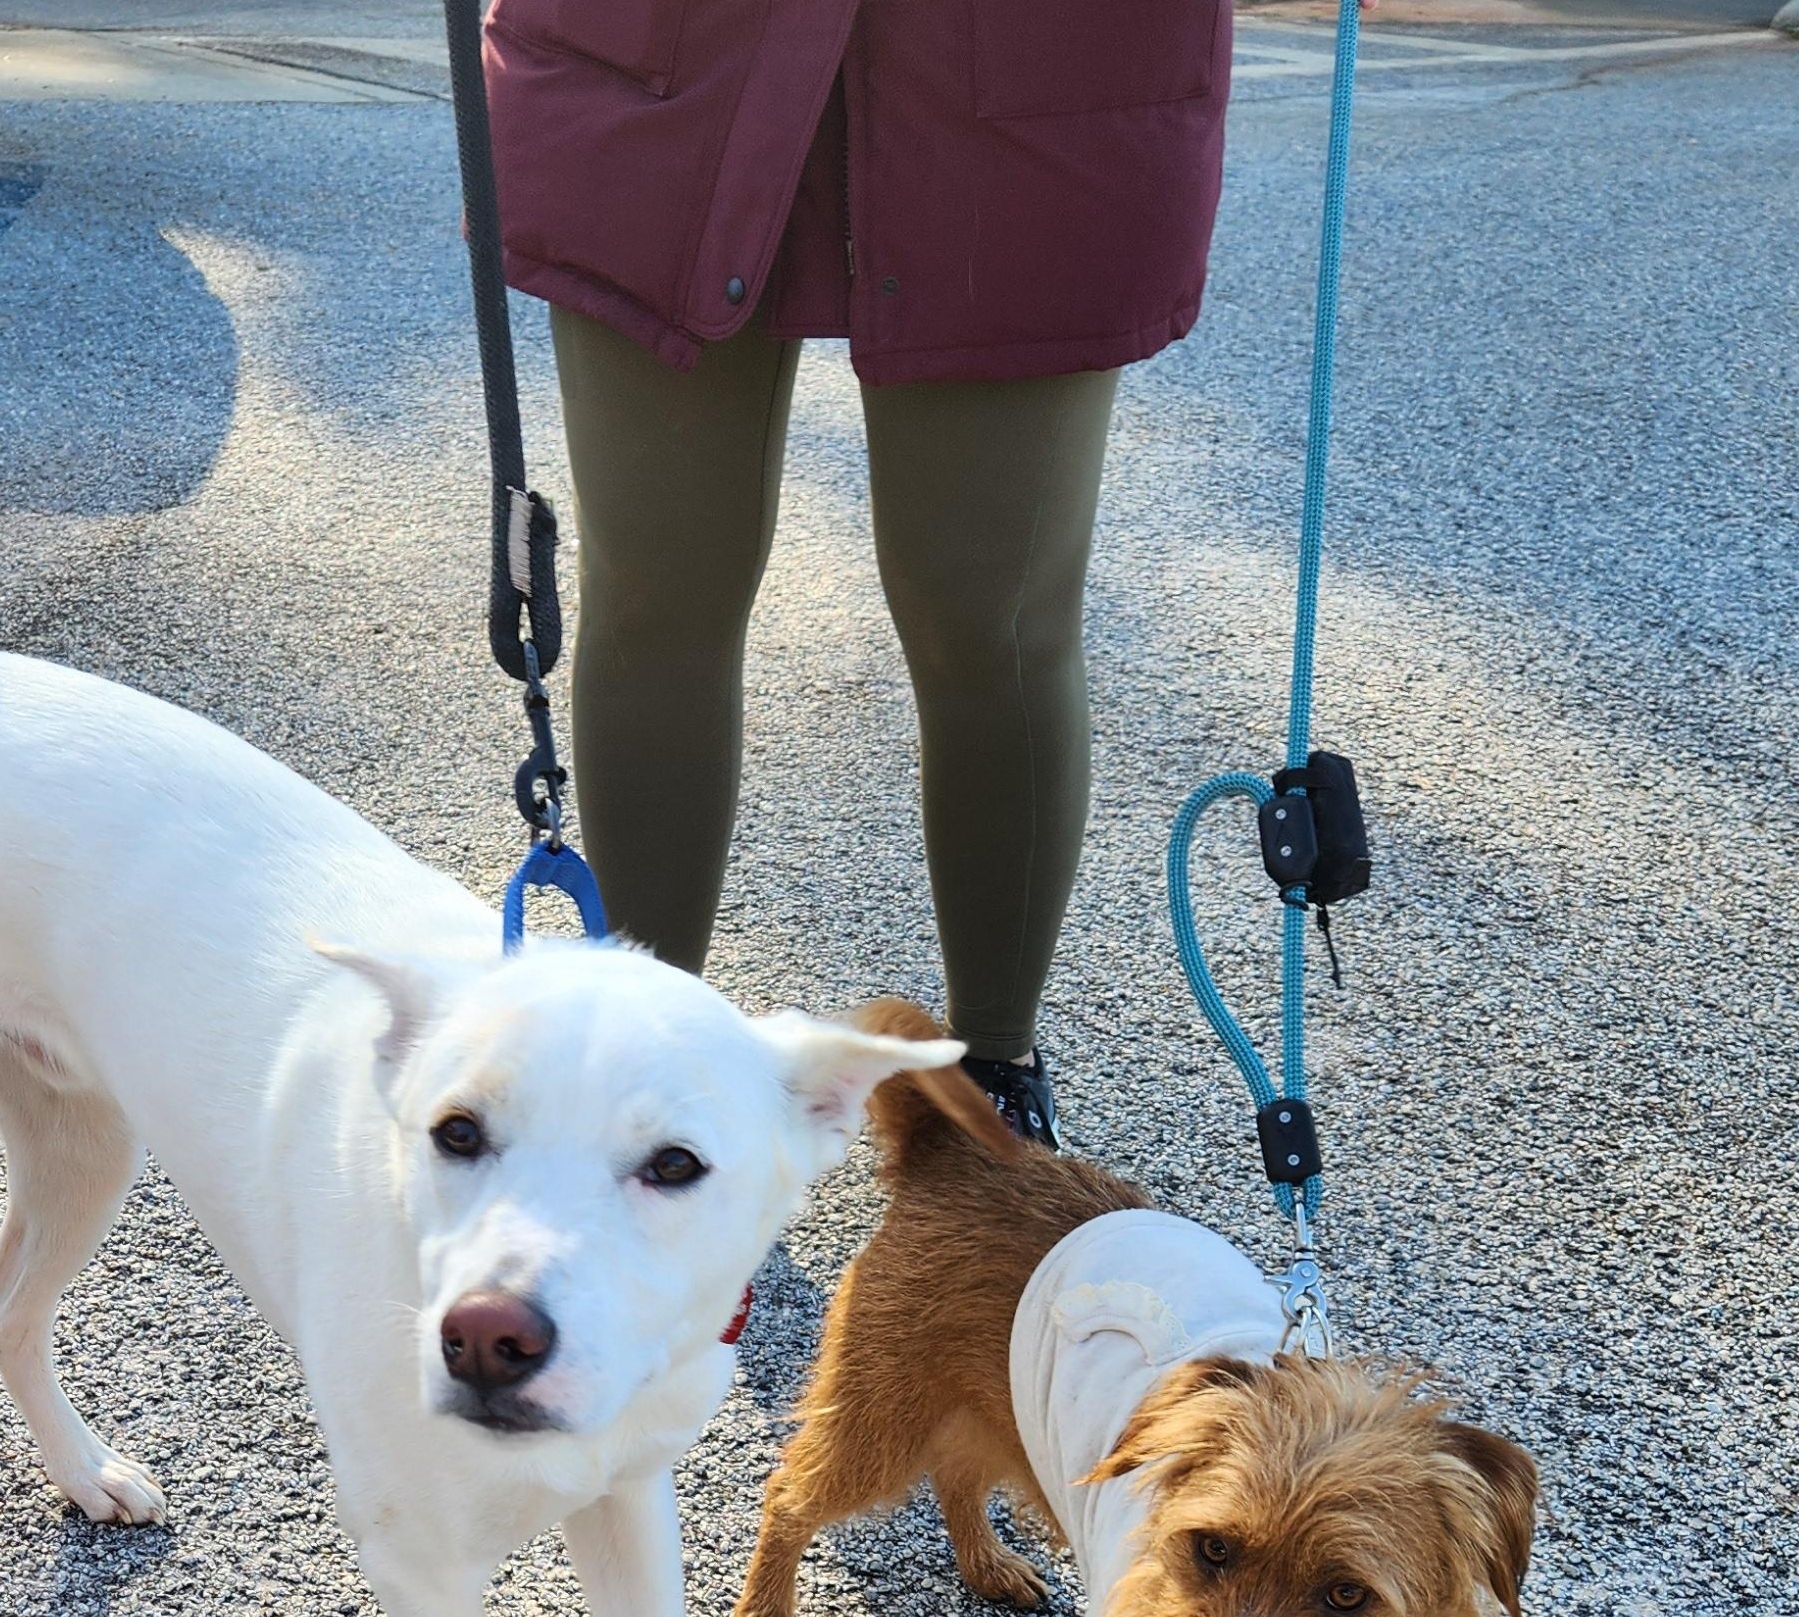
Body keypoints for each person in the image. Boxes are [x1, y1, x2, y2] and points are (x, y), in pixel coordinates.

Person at [483, 0, 1238, 1146]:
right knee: (654, 592)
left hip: (1046, 60)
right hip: (663, 52)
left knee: (995, 620)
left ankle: (995, 1083)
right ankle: (642, 1078)